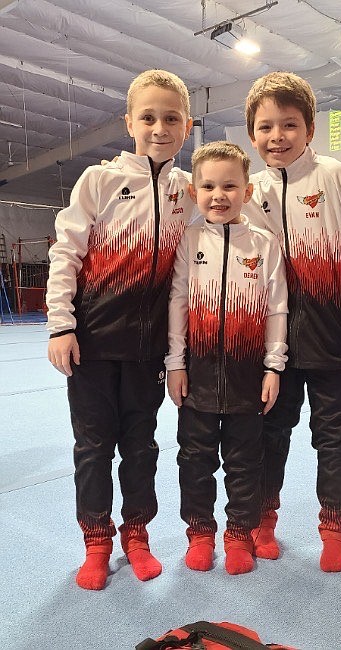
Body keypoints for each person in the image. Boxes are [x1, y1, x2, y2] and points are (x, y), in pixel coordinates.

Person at [241, 71, 341, 572]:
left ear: (310, 129)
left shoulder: (332, 176)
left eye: (289, 125)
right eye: (265, 127)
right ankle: (262, 521)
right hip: (275, 341)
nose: (277, 136)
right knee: (270, 434)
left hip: (332, 337)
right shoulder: (250, 192)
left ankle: (334, 528)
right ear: (252, 135)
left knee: (334, 436)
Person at [46, 69, 193, 590]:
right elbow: (66, 251)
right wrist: (61, 325)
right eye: (148, 117)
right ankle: (97, 540)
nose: (159, 127)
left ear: (188, 125)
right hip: (91, 344)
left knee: (142, 445)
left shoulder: (187, 192)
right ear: (129, 122)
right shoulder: (100, 181)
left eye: (171, 117)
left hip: (148, 351)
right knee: (92, 448)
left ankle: (137, 533)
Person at [165, 141, 288, 575]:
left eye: (230, 186)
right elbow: (178, 301)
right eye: (209, 186)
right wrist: (175, 362)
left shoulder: (265, 244)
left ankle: (239, 533)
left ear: (248, 191)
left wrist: (274, 366)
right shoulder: (188, 239)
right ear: (194, 191)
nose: (219, 195)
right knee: (194, 460)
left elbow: (277, 308)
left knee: (244, 461)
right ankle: (200, 532)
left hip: (246, 373)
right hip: (196, 373)